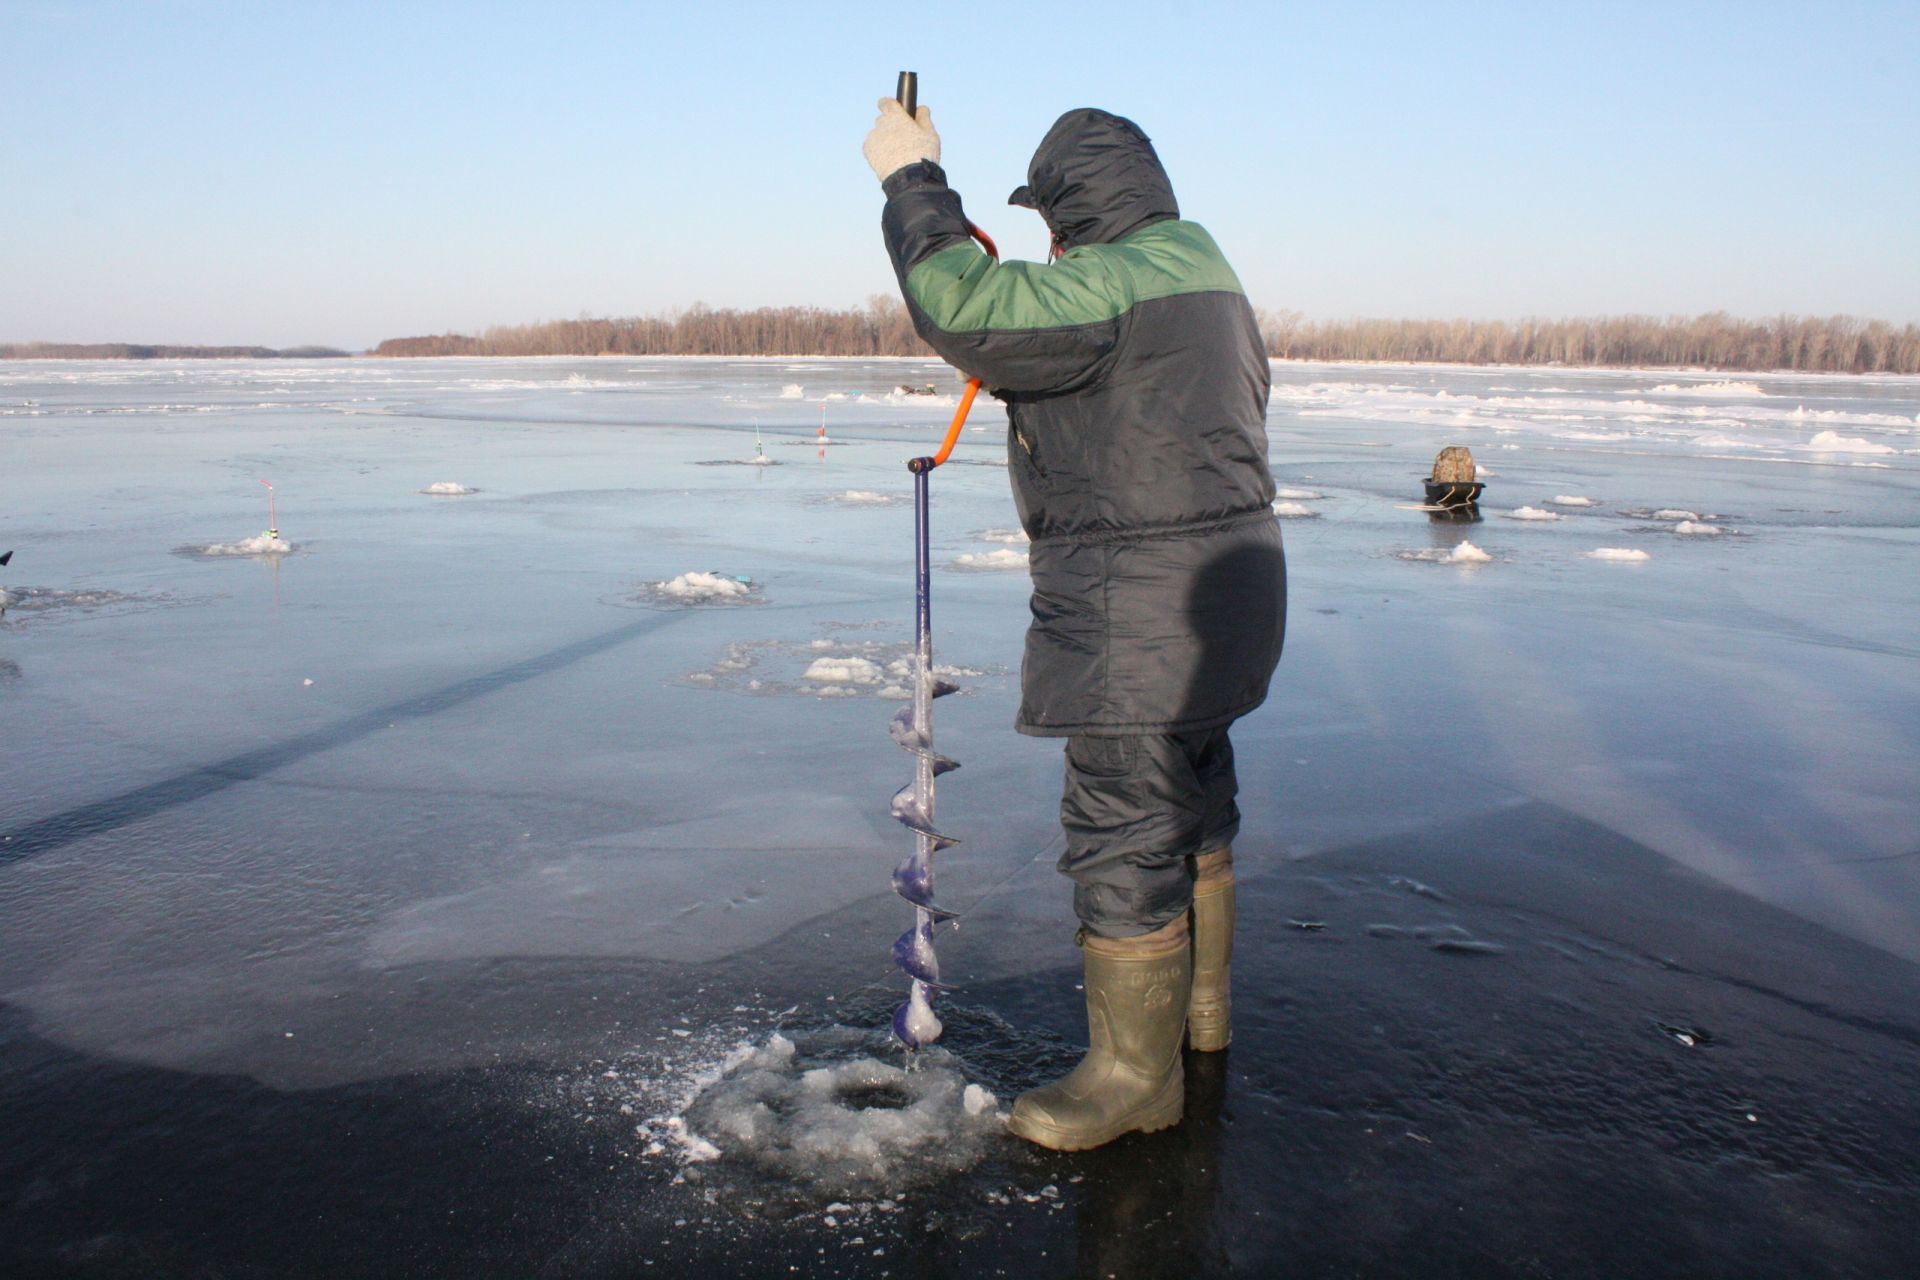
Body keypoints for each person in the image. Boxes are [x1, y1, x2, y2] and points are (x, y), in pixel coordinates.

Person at [863, 100, 1285, 1150]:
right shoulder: (1208, 276)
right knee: (1196, 800)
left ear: (1082, 207)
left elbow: (962, 304)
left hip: (1137, 610)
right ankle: (1201, 1019)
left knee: (1123, 819)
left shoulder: (1110, 284)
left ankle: (1133, 1077)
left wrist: (912, 179)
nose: (1049, 239)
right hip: (1228, 599)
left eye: (1053, 214)